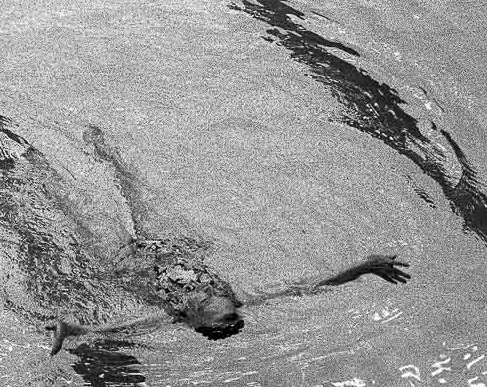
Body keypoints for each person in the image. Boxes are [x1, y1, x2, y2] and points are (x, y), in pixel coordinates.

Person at [47, 127, 413, 355]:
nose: (215, 297)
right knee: (139, 200)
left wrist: (73, 329)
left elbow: (109, 330)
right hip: (174, 251)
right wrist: (364, 266)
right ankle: (105, 153)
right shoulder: (243, 301)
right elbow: (315, 285)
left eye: (209, 303)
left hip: (132, 264)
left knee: (85, 219)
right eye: (223, 303)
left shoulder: (171, 317)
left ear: (192, 319)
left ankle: (46, 174)